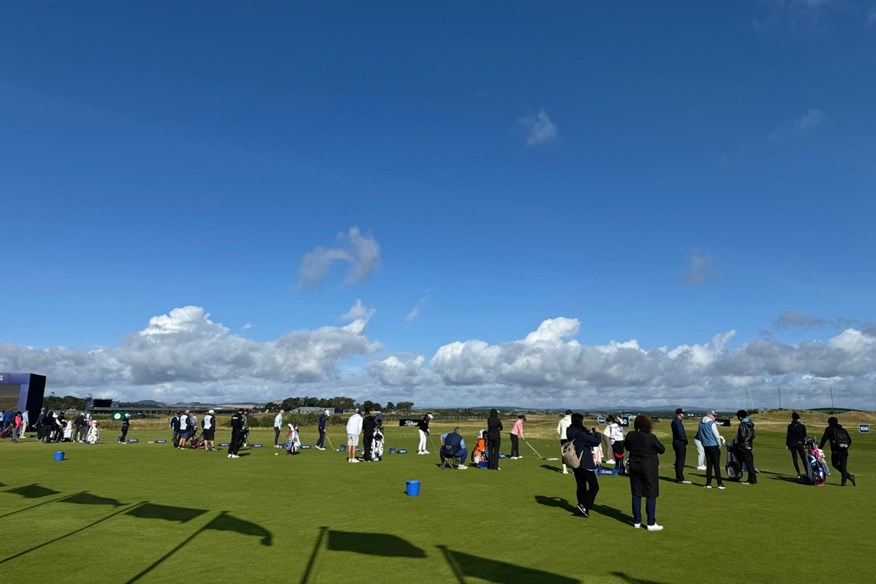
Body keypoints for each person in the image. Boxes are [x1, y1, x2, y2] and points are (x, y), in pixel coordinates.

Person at [624, 415, 666, 531]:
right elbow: (662, 449)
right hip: (649, 468)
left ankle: (637, 521)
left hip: (634, 467)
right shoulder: (650, 437)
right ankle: (651, 522)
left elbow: (627, 447)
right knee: (650, 494)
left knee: (636, 493)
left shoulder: (630, 435)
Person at [566, 413, 603, 518]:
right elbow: (596, 442)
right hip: (585, 462)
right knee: (594, 486)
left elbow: (582, 439)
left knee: (581, 485)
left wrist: (589, 433)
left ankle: (583, 509)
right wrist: (597, 433)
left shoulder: (570, 431)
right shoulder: (581, 434)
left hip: (575, 462)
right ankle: (584, 505)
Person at [819, 417, 856, 487]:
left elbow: (824, 439)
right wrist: (845, 447)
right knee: (843, 466)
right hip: (844, 450)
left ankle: (848, 477)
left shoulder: (829, 429)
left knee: (835, 464)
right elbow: (850, 440)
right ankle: (844, 481)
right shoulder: (843, 429)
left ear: (829, 423)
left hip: (836, 451)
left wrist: (820, 448)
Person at [698, 410, 725, 489]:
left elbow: (700, 435)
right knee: (716, 465)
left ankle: (708, 483)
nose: (714, 417)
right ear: (709, 415)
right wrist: (719, 444)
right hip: (713, 445)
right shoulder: (711, 423)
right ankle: (719, 483)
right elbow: (716, 435)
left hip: (706, 446)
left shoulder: (700, 424)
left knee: (709, 465)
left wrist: (703, 443)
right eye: (713, 415)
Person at [735, 410, 757, 484]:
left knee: (747, 463)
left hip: (744, 445)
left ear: (740, 417)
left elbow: (742, 436)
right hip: (749, 444)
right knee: (749, 462)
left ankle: (752, 479)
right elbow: (753, 435)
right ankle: (751, 478)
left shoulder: (742, 424)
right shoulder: (750, 423)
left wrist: (739, 442)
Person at [786, 412, 808, 479]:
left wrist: (787, 444)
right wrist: (805, 444)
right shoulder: (802, 426)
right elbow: (805, 436)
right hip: (800, 443)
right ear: (798, 418)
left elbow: (788, 436)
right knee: (804, 459)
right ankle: (808, 472)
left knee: (795, 459)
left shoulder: (790, 426)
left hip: (792, 444)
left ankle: (798, 473)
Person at [671, 408, 690, 484]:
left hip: (677, 442)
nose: (683, 414)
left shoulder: (675, 421)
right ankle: (680, 478)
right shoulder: (677, 422)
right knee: (680, 460)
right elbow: (680, 433)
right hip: (679, 443)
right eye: (682, 413)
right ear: (679, 414)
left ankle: (679, 477)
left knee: (679, 460)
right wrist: (685, 440)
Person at [557, 410, 573, 474]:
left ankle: (564, 469)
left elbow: (558, 429)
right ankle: (573, 469)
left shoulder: (561, 421)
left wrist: (561, 434)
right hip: (570, 438)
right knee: (571, 453)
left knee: (563, 454)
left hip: (562, 438)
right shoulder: (571, 421)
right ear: (570, 414)